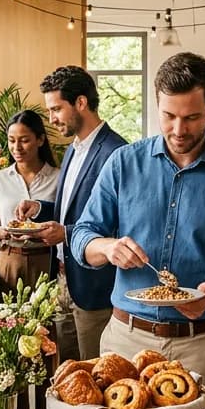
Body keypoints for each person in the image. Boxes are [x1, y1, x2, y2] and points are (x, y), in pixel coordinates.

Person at [72, 53, 205, 409]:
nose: (179, 130)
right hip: (125, 341)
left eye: (191, 118)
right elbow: (82, 235)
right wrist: (108, 247)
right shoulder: (123, 163)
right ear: (157, 104)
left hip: (200, 345)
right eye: (168, 116)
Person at [15, 66, 127, 361]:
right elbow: (73, 210)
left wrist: (65, 233)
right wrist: (40, 208)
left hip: (95, 289)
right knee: (68, 373)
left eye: (56, 109)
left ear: (81, 102)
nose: (51, 119)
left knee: (96, 374)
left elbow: (121, 224)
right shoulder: (74, 150)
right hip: (64, 283)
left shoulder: (117, 152)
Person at [0, 110, 59, 294]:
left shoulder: (58, 178)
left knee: (49, 313)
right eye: (11, 140)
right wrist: (0, 233)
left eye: (24, 140)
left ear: (40, 140)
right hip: (10, 259)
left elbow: (68, 221)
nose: (17, 147)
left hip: (47, 260)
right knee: (7, 312)